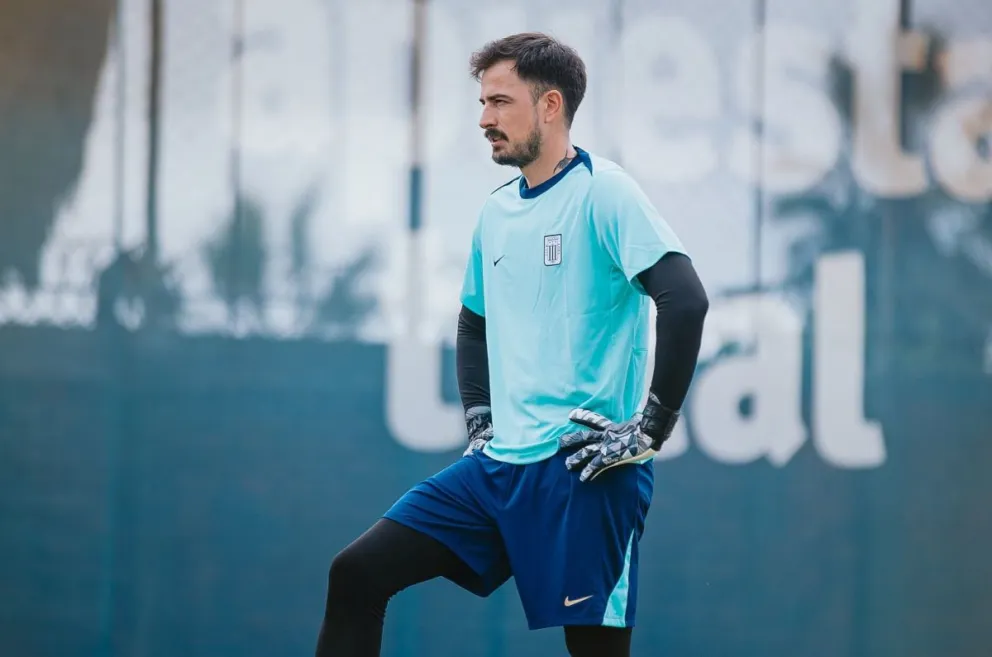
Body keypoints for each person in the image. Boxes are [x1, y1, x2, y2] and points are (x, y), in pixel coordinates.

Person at [314, 32, 709, 657]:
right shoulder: (496, 212)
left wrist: (649, 431)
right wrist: (481, 419)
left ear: (550, 106)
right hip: (497, 471)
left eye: (500, 102)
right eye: (482, 103)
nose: (484, 119)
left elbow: (685, 300)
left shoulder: (605, 191)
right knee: (357, 573)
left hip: (586, 472)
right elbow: (472, 324)